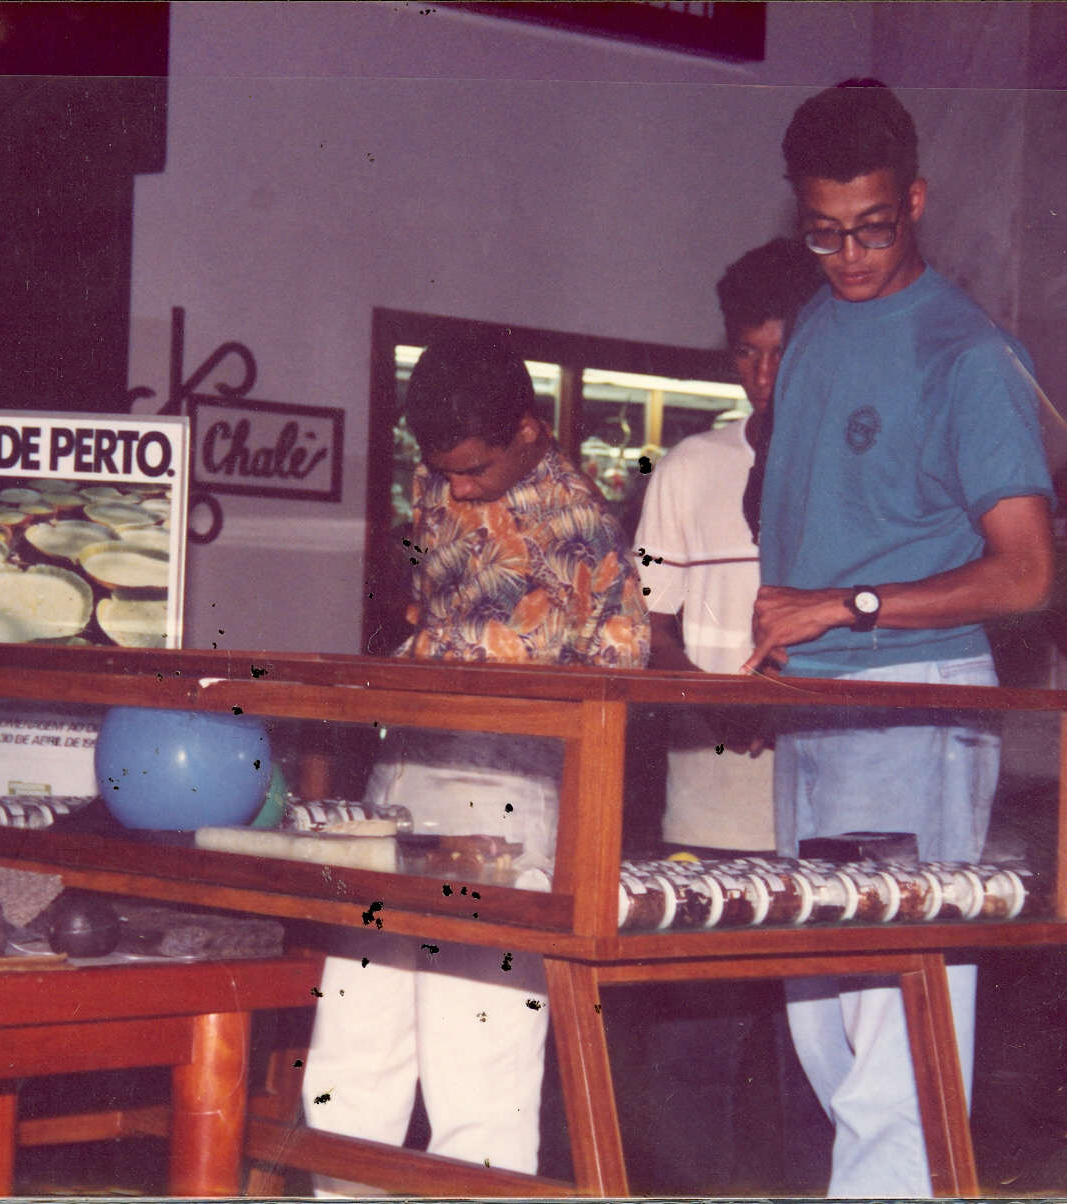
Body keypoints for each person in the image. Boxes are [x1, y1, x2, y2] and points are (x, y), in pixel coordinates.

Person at [746, 80, 1055, 1198]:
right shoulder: (814, 328)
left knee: (895, 1030)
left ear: (915, 200)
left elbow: (1026, 571)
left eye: (873, 228)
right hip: (813, 707)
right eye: (823, 231)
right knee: (822, 1019)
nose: (849, 256)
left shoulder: (965, 352)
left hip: (915, 700)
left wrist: (847, 605)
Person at [301, 333, 649, 1190]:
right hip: (405, 778)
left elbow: (623, 661)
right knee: (357, 1040)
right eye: (441, 469)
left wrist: (430, 654)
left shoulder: (579, 524)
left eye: (473, 470)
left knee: (477, 1054)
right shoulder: (440, 480)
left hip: (505, 795)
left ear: (528, 432)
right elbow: (427, 597)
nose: (454, 487)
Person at [632, 237, 829, 1194]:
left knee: (813, 1063)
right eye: (745, 354)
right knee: (691, 1051)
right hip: (705, 807)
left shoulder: (849, 467)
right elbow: (646, 626)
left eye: (779, 354)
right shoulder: (690, 467)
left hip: (819, 805)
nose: (760, 376)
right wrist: (708, 700)